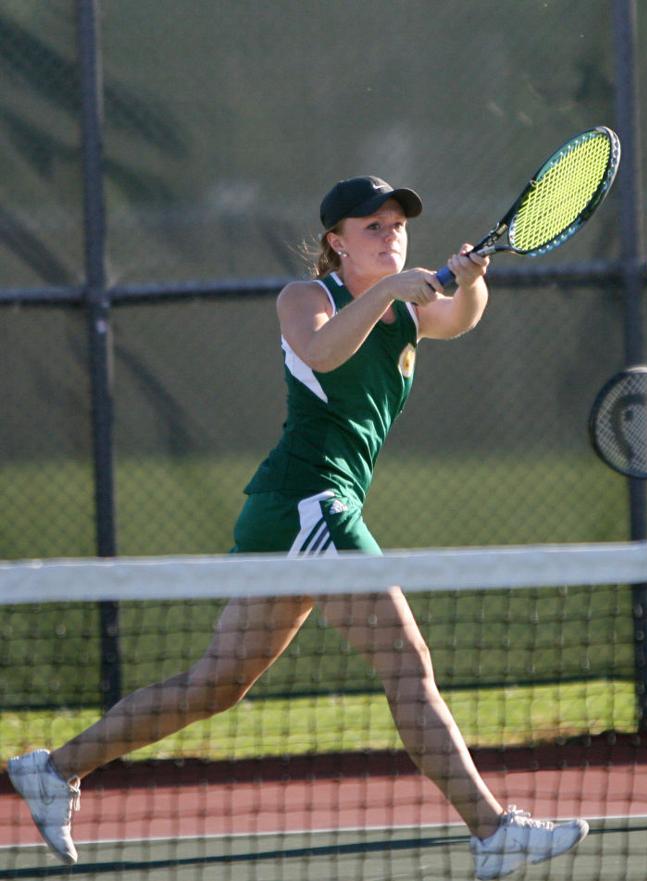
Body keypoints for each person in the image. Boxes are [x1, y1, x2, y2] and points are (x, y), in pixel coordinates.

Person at [6, 175, 588, 880]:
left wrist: (472, 279)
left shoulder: (408, 309)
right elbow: (321, 352)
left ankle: (54, 770)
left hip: (299, 511)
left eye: (398, 224)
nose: (391, 234)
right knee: (406, 664)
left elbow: (459, 318)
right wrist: (389, 289)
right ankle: (493, 831)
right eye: (372, 226)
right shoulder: (307, 297)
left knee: (216, 684)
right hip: (310, 501)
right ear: (336, 242)